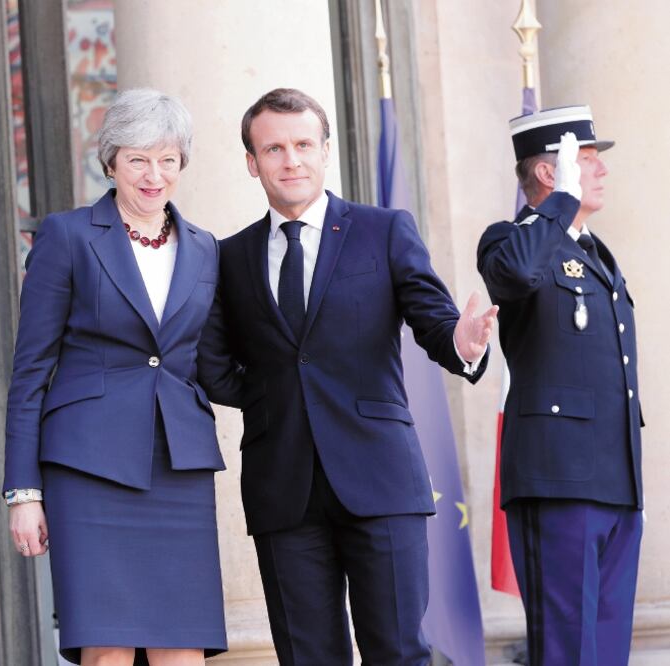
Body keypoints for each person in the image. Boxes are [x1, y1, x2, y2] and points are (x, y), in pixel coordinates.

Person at [198, 87, 496, 665]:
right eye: (275, 148)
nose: (292, 160)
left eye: (304, 144)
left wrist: (462, 342)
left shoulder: (382, 229)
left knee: (399, 651)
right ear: (251, 162)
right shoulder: (227, 257)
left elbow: (434, 319)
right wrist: (270, 401)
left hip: (380, 480)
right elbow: (214, 365)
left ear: (326, 150)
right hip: (282, 488)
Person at [4, 88, 227, 666]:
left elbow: (209, 361)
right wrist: (23, 492)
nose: (154, 175)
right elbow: (30, 370)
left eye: (168, 160)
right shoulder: (68, 235)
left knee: (183, 652)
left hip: (178, 465)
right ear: (110, 163)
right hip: (88, 467)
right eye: (138, 160)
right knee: (108, 653)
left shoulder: (205, 249)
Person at [477, 106, 642, 665]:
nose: (600, 172)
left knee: (608, 647)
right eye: (587, 161)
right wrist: (562, 206)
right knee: (568, 648)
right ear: (550, 173)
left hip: (615, 480)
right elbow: (519, 275)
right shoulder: (511, 239)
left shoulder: (596, 254)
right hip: (558, 480)